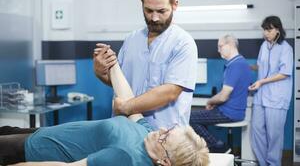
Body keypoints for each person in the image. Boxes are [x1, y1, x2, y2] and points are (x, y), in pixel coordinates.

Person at [0, 58, 209, 166]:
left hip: (35, 150)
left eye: (165, 138)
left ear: (164, 162)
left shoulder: (125, 157)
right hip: (42, 134)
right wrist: (113, 63)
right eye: (169, 129)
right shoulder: (148, 136)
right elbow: (129, 103)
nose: (161, 130)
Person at [93, 0, 198, 130]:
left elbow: (170, 92)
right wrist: (99, 72)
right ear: (141, 3)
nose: (154, 18)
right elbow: (120, 82)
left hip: (164, 136)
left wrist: (126, 107)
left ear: (175, 5)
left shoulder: (183, 43)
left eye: (161, 11)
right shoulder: (131, 40)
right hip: (126, 130)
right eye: (148, 10)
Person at [189, 34, 252, 152]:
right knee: (199, 118)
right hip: (233, 111)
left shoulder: (235, 65)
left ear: (231, 45)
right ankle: (212, 148)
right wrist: (215, 103)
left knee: (189, 117)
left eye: (220, 46)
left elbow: (223, 96)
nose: (218, 50)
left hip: (228, 113)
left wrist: (210, 101)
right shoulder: (241, 63)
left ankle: (219, 147)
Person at [248, 16, 293, 166]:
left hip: (277, 97)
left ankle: (273, 163)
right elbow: (261, 66)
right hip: (261, 95)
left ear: (278, 30)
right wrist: (247, 67)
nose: (266, 33)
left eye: (269, 29)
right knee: (256, 131)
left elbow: (284, 73)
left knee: (274, 135)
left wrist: (261, 81)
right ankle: (263, 163)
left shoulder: (286, 48)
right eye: (264, 30)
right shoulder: (264, 46)